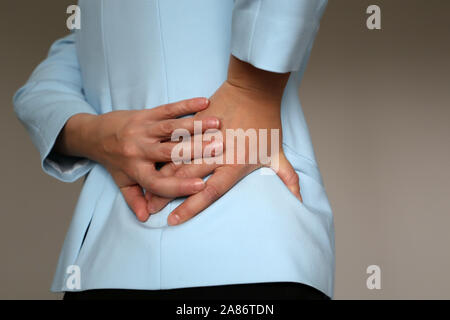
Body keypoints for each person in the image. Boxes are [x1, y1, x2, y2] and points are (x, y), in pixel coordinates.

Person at [14, 0, 334, 300]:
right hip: (108, 262)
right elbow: (42, 86)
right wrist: (100, 136)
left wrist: (252, 90)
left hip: (234, 244)